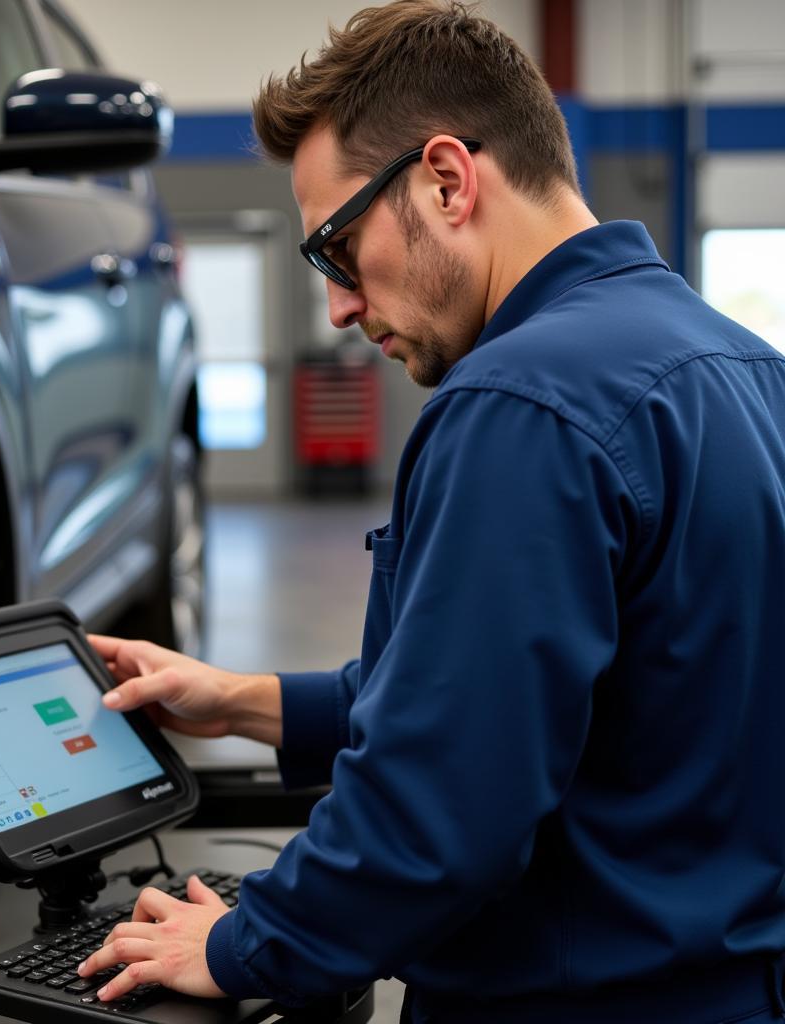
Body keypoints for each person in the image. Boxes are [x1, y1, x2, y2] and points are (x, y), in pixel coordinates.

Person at [75, 2, 785, 1020]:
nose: (338, 308)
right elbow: (552, 693)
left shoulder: (519, 402)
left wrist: (243, 944)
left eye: (335, 249)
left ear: (447, 180)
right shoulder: (745, 370)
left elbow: (443, 810)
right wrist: (244, 700)